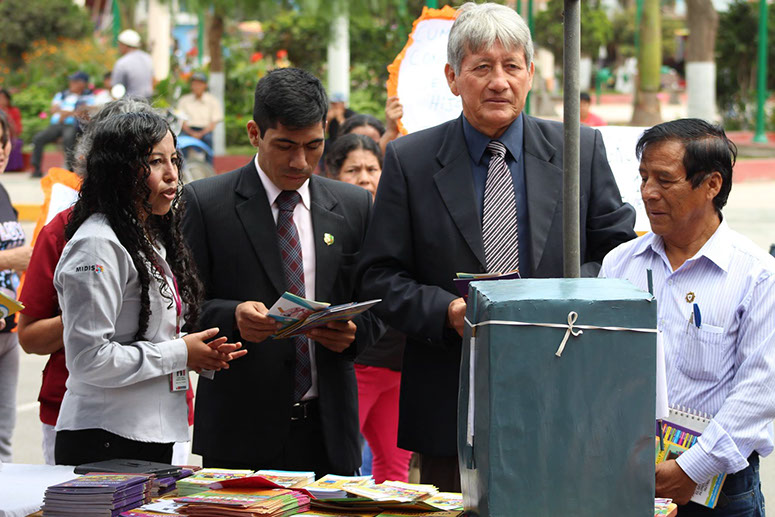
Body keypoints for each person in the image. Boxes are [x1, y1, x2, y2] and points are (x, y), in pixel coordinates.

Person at [357, 2, 637, 491]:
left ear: (530, 74)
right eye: (482, 67)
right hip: (452, 397)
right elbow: (379, 276)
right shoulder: (410, 160)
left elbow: (620, 256)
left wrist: (560, 302)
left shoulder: (579, 149)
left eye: (511, 66)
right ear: (452, 77)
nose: (499, 82)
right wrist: (446, 312)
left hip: (564, 390)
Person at [182, 68, 380, 477]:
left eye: (313, 146)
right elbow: (183, 308)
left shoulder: (354, 206)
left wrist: (354, 334)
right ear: (254, 133)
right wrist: (233, 317)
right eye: (285, 146)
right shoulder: (206, 203)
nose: (300, 162)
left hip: (329, 434)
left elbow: (378, 301)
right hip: (240, 433)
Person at [600, 119, 774, 516]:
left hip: (721, 490)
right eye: (644, 177)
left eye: (664, 180)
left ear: (712, 184)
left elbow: (760, 390)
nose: (648, 192)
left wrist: (692, 468)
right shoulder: (619, 265)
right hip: (630, 474)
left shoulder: (757, 276)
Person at [52, 111, 246, 466]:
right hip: (105, 436)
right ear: (120, 171)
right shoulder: (97, 245)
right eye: (155, 162)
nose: (172, 174)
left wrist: (198, 352)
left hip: (149, 434)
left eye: (174, 160)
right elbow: (88, 360)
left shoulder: (148, 237)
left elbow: (156, 339)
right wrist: (179, 352)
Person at [17, 98, 161, 465]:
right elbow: (30, 336)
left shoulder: (167, 228)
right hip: (83, 415)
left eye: (165, 158)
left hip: (157, 413)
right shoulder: (70, 232)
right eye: (147, 159)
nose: (166, 173)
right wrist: (94, 310)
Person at [326, 134, 412, 483]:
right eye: (353, 170)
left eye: (372, 169)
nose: (364, 178)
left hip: (400, 365)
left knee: (395, 469)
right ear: (333, 174)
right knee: (339, 466)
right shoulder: (331, 225)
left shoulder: (399, 217)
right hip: (358, 364)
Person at [0, 110, 32, 463]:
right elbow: (12, 257)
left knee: (3, 438)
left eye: (2, 141)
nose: (0, 150)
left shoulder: (3, 192)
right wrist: (10, 259)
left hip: (8, 330)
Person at [30, 71, 93, 178]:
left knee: (68, 139)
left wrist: (65, 113)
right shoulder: (62, 94)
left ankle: (70, 171)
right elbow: (53, 109)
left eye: (75, 81)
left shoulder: (88, 96)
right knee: (38, 138)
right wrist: (71, 112)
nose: (72, 83)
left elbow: (85, 111)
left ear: (83, 83)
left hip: (72, 125)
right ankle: (36, 170)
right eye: (72, 81)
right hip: (57, 125)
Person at [177, 72, 223, 163]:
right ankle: (181, 167)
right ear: (191, 86)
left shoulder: (213, 101)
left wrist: (200, 134)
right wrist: (192, 133)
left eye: (199, 84)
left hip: (205, 131)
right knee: (179, 143)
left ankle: (209, 167)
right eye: (194, 84)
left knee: (208, 140)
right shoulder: (184, 100)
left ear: (205, 85)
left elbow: (213, 123)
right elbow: (181, 121)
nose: (197, 86)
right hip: (188, 131)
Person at [112, 29, 154, 100]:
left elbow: (116, 90)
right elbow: (153, 80)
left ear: (124, 45)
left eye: (119, 45)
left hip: (129, 103)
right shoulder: (148, 58)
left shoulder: (122, 62)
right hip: (147, 102)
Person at [0, 89, 23, 172]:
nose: (2, 100)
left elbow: (18, 128)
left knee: (16, 143)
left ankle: (12, 168)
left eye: (4, 98)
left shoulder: (14, 110)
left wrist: (9, 120)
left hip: (11, 136)